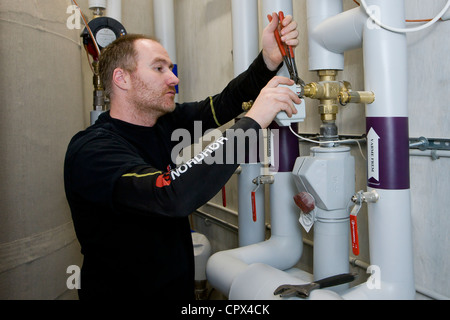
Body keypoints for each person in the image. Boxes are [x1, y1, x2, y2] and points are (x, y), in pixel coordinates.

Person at [64, 13, 300, 300]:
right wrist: (253, 122)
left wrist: (267, 62)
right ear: (121, 78)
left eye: (170, 68)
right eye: (159, 68)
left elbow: (224, 103)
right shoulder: (93, 151)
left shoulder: (162, 123)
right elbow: (171, 195)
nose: (173, 77)